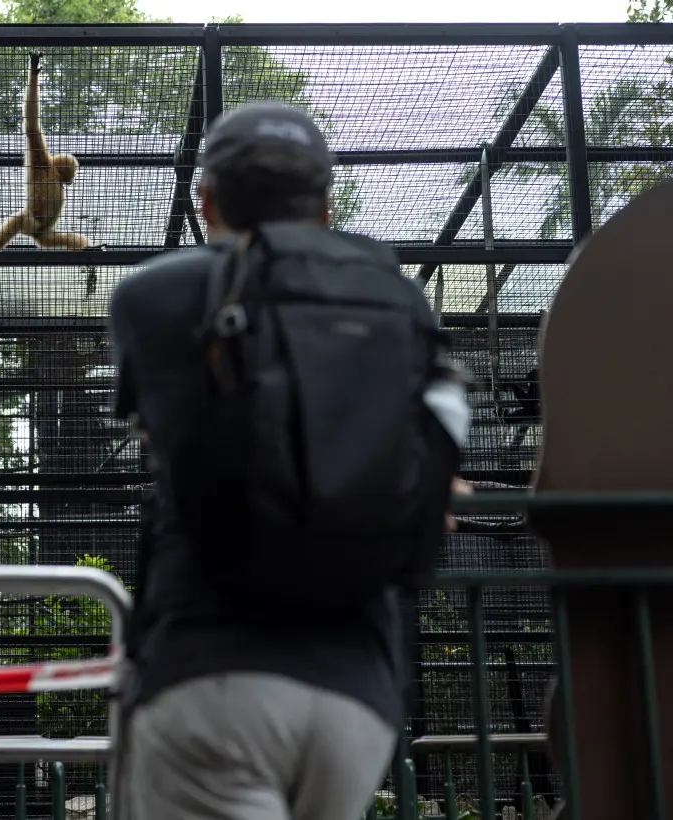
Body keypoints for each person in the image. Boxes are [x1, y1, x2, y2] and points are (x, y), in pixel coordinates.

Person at [108, 101, 472, 820]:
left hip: (209, 674)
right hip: (357, 693)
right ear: (327, 206)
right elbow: (436, 444)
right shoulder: (396, 299)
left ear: (206, 200)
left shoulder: (152, 296)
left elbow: (164, 434)